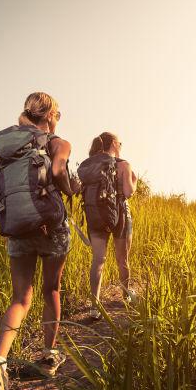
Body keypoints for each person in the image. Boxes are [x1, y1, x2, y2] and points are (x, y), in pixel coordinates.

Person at [0, 92, 81, 390]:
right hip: (51, 227)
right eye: (58, 114)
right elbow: (58, 173)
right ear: (50, 115)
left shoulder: (9, 144)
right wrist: (71, 187)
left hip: (17, 228)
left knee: (20, 298)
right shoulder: (57, 141)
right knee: (51, 289)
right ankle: (49, 356)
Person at [77, 132, 137, 320]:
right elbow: (128, 192)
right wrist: (134, 181)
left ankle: (94, 306)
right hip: (119, 213)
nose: (121, 145)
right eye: (120, 142)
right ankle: (126, 294)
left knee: (98, 260)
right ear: (113, 143)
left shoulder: (92, 165)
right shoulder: (123, 165)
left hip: (95, 214)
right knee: (122, 259)